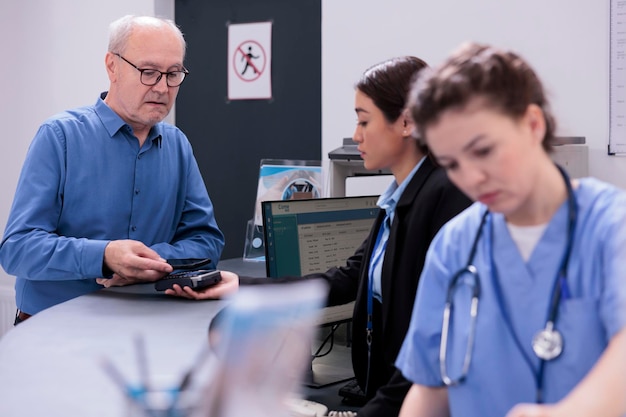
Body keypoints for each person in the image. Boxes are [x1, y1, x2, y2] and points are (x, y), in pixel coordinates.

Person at [169, 56, 472, 417]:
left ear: (406, 121)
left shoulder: (443, 196)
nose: (356, 135)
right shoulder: (398, 199)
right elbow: (345, 280)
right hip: (386, 396)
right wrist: (240, 286)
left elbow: (434, 340)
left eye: (364, 120)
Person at [396, 42, 626, 417]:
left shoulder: (611, 228)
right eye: (451, 164)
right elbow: (430, 389)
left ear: (533, 124)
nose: (470, 178)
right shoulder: (454, 246)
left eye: (484, 150)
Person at [0, 15, 227, 324]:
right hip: (53, 330)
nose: (162, 88)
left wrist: (147, 264)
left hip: (145, 326)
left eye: (173, 74)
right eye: (149, 72)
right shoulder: (59, 137)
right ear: (112, 66)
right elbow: (18, 248)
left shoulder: (178, 145)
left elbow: (206, 241)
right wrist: (105, 257)